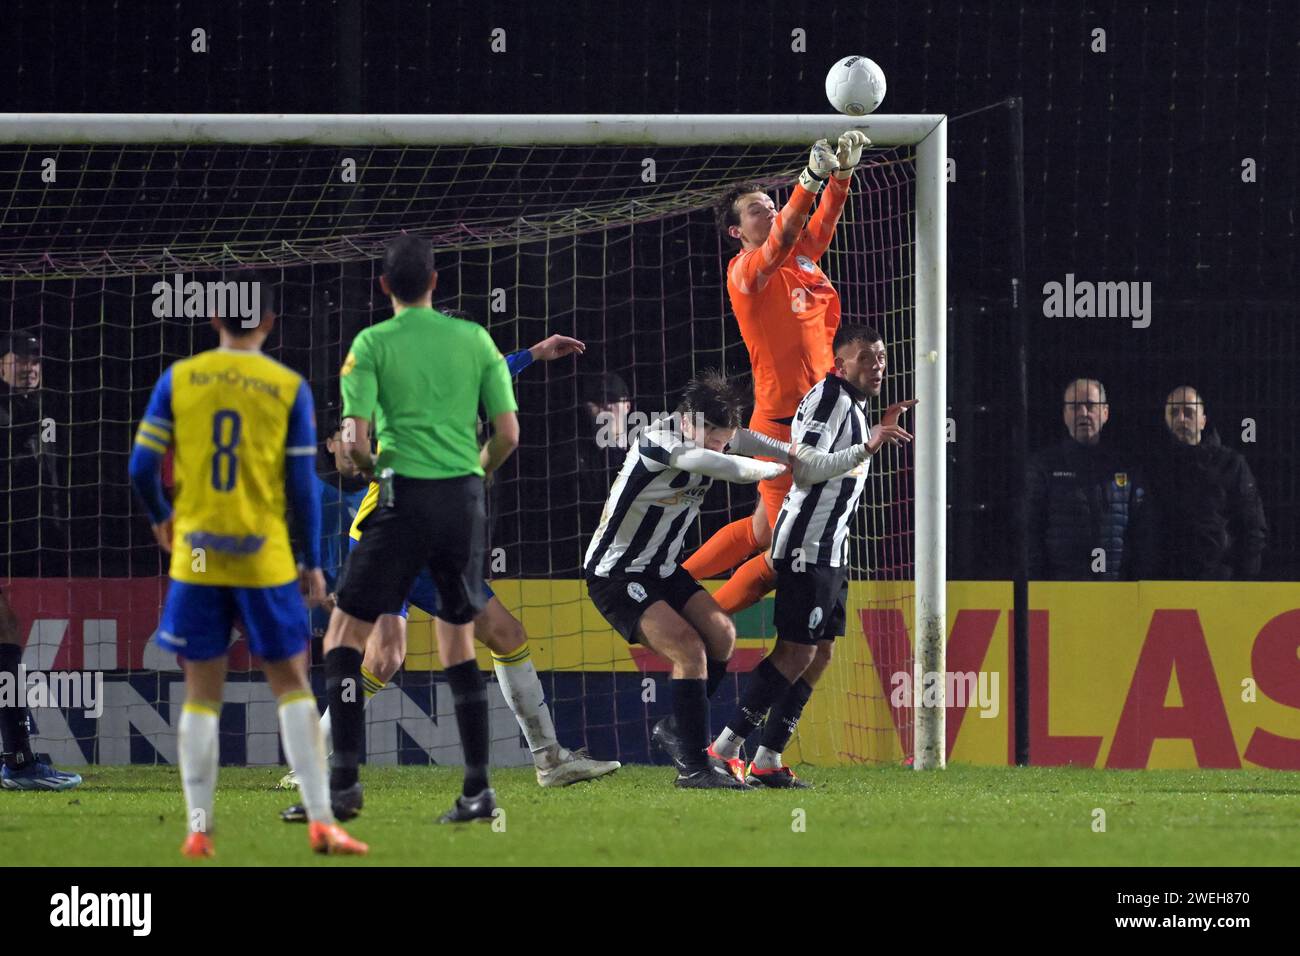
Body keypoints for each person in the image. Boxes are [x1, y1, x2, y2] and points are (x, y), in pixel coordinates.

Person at [278, 332, 618, 813]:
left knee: (383, 658)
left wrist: (535, 355)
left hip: (383, 533)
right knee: (503, 635)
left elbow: (491, 371)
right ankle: (545, 761)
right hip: (408, 535)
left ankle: (311, 760)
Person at [128, 279, 367, 857]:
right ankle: (319, 821)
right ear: (269, 321)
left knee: (201, 693)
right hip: (263, 558)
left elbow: (140, 466)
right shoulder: (286, 387)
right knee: (290, 685)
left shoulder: (179, 379)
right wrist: (312, 562)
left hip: (199, 557)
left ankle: (199, 828)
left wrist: (162, 518)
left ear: (214, 320)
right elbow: (302, 491)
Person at [320, 235, 522, 825]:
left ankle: (344, 784)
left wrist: (368, 467)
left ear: (385, 287)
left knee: (342, 639)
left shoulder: (371, 344)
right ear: (435, 282)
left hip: (401, 497)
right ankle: (477, 792)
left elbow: (354, 445)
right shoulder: (474, 339)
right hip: (461, 501)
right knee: (459, 641)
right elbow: (507, 434)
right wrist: (471, 475)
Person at [708, 325, 914, 788]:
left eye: (880, 356)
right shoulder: (830, 400)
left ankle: (767, 758)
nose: (877, 365)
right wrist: (868, 445)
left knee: (820, 653)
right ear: (840, 365)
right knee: (796, 651)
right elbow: (804, 469)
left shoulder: (854, 404)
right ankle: (722, 750)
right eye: (865, 357)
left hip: (832, 549)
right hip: (806, 546)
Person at [683, 131, 870, 617]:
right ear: (735, 231)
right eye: (756, 209)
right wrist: (809, 180)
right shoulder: (745, 271)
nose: (768, 211)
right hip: (786, 424)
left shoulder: (800, 256)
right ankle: (702, 617)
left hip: (821, 419)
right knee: (777, 549)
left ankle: (676, 585)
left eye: (772, 203)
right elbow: (787, 230)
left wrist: (843, 175)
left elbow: (821, 222)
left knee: (766, 530)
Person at [584, 371, 792, 789]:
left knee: (722, 635)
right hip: (617, 573)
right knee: (689, 649)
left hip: (661, 570)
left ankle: (678, 731)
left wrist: (794, 453)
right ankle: (694, 768)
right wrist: (774, 471)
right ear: (687, 422)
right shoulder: (658, 441)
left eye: (723, 439)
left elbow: (746, 442)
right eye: (713, 437)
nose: (719, 445)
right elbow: (711, 462)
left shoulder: (709, 434)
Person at [1026, 378, 1153, 580]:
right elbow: (1029, 533)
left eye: (1090, 406)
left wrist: (1139, 586)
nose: (1083, 413)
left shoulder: (1126, 468)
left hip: (1117, 594)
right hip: (1060, 593)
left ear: (1105, 413)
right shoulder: (1043, 466)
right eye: (1075, 407)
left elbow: (1144, 534)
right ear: (1064, 414)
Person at [1146, 386, 1267, 579]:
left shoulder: (1231, 464)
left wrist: (1244, 585)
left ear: (1203, 420)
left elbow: (1252, 528)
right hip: (1167, 585)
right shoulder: (1156, 468)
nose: (1181, 418)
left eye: (1188, 412)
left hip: (1219, 583)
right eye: (1174, 412)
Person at [0, 329, 68, 577]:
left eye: (36, 361)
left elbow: (54, 468)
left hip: (46, 531)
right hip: (9, 536)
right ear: (1, 366)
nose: (31, 367)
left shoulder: (47, 407)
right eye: (20, 359)